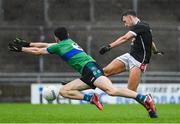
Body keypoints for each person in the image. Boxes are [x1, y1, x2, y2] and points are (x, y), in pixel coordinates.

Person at [8, 27, 157, 118]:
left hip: (91, 68)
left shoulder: (59, 46)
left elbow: (39, 51)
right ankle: (91, 98)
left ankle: (144, 97)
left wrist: (21, 49)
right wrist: (27, 44)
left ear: (57, 38)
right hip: (87, 72)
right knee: (64, 91)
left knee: (112, 91)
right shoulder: (67, 42)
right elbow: (45, 45)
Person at [99, 10, 162, 117]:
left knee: (131, 91)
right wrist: (155, 51)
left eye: (125, 21)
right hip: (129, 56)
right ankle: (78, 84)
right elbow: (151, 41)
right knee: (104, 72)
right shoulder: (143, 27)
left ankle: (149, 106)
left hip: (138, 62)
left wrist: (109, 47)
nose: (125, 24)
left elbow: (125, 38)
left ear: (130, 17)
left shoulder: (141, 26)